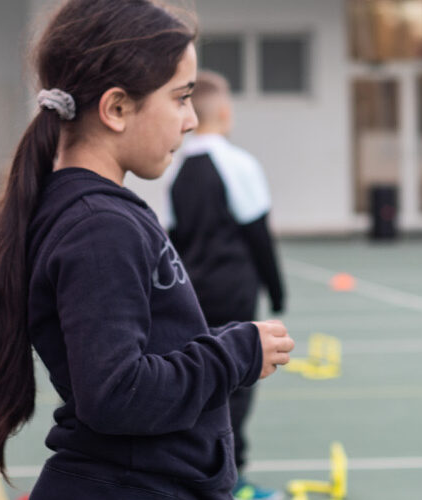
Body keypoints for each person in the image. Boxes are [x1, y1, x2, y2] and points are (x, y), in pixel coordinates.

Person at [0, 1, 296, 498]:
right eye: (181, 98)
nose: (189, 120)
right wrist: (234, 354)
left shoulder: (94, 213)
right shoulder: (99, 228)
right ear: (117, 108)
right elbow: (118, 393)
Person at [163, 69, 288, 500]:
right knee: (238, 380)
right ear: (224, 112)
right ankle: (231, 479)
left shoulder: (177, 172)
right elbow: (258, 235)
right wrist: (277, 290)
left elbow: (172, 242)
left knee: (203, 377)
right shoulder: (238, 164)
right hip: (234, 290)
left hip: (191, 293)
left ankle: (200, 471)